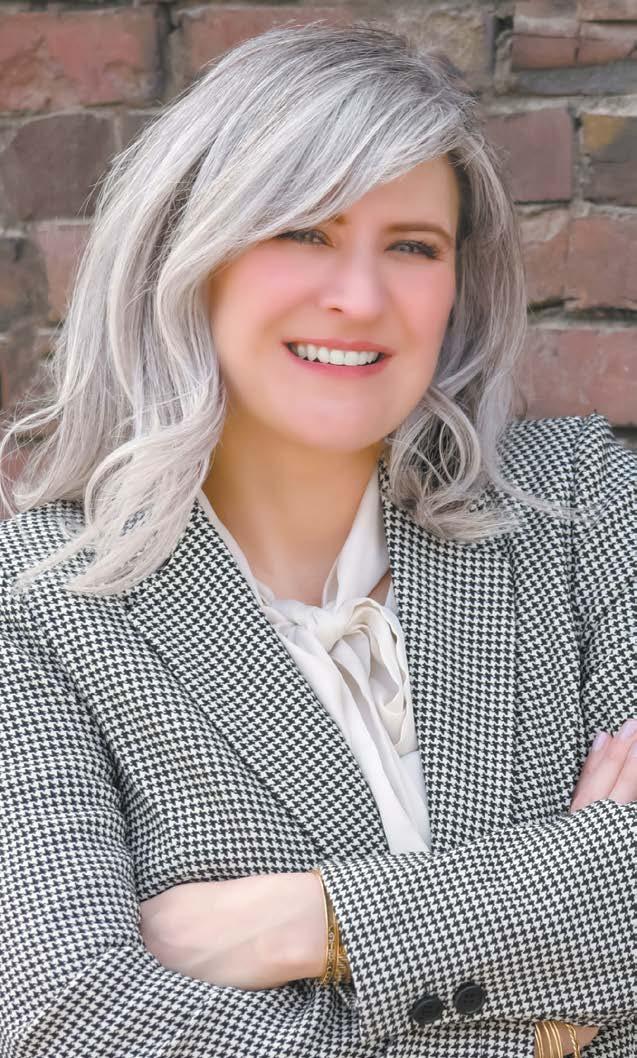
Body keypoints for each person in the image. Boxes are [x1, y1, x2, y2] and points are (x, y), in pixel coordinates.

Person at [0, 20, 634, 1058]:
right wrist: (552, 996)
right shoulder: (37, 610)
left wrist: (317, 921)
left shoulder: (579, 501)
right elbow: (69, 1020)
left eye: (413, 246)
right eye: (304, 231)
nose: (360, 298)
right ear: (188, 252)